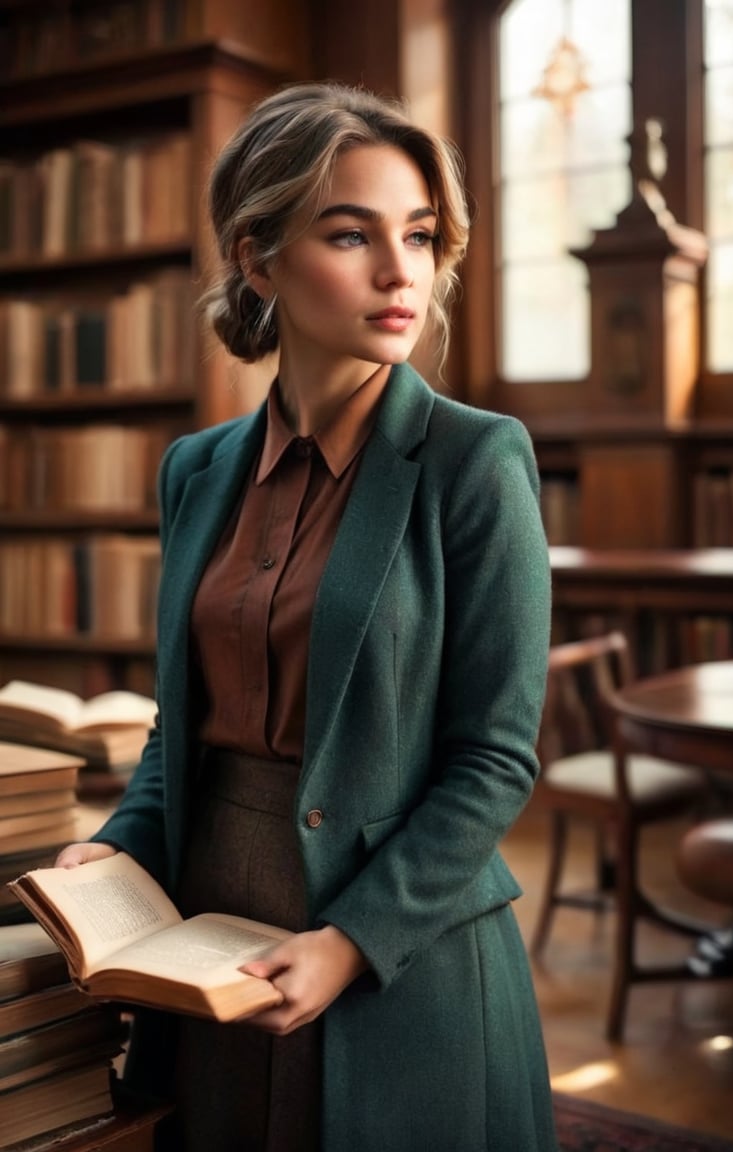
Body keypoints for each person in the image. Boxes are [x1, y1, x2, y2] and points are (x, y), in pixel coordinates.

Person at [56, 81, 557, 1152]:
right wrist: (117, 850)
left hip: (400, 943)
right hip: (207, 930)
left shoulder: (475, 462)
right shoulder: (195, 471)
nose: (400, 272)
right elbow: (174, 734)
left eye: (419, 236)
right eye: (350, 234)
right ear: (257, 255)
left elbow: (495, 759)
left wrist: (350, 942)